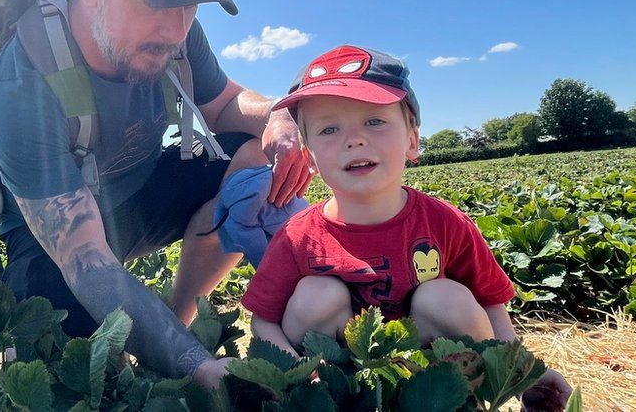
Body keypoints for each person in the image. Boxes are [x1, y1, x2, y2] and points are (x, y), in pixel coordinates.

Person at [0, 0, 310, 388]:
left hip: (137, 195)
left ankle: (177, 315)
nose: (174, 27)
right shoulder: (22, 83)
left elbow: (225, 103)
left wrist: (275, 114)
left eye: (188, 3)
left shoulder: (178, 31)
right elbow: (87, 261)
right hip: (57, 236)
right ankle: (171, 349)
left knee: (251, 159)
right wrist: (201, 372)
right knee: (70, 361)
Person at [240, 45, 573, 409]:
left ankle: (464, 402)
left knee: (445, 297)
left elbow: (492, 303)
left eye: (374, 121)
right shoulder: (297, 236)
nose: (354, 139)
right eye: (329, 128)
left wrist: (524, 374)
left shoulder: (446, 222)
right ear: (309, 158)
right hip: (342, 386)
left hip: (430, 383)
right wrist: (301, 374)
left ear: (412, 140)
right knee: (315, 294)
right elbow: (264, 323)